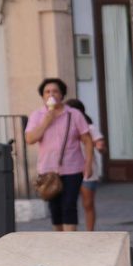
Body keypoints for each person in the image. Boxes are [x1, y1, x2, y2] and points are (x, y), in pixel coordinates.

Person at [25, 78, 94, 231]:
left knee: (69, 206)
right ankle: (59, 240)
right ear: (43, 96)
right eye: (47, 91)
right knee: (55, 209)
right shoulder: (37, 115)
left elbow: (87, 139)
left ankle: (69, 244)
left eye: (55, 91)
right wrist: (45, 122)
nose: (51, 94)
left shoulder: (74, 114)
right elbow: (30, 139)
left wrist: (88, 163)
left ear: (62, 94)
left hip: (73, 168)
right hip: (47, 170)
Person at [64, 98, 106, 231]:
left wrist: (99, 147)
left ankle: (89, 232)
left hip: (88, 171)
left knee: (87, 204)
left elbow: (101, 145)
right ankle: (71, 232)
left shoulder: (90, 128)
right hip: (69, 170)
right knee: (69, 204)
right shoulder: (64, 129)